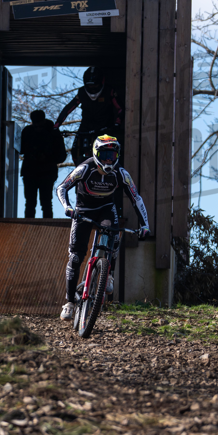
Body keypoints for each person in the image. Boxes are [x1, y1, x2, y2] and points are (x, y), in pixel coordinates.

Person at [56, 134, 150, 320]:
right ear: (96, 153)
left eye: (112, 156)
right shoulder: (84, 168)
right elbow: (61, 187)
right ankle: (69, 303)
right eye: (105, 155)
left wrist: (145, 225)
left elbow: (136, 198)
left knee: (113, 234)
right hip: (83, 210)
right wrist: (67, 207)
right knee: (75, 257)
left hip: (106, 210)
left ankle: (108, 275)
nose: (109, 160)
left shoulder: (121, 174)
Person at [54, 67, 123, 165]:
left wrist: (117, 124)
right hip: (85, 127)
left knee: (109, 152)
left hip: (105, 128)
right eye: (90, 86)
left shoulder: (109, 91)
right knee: (75, 152)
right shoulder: (82, 92)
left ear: (101, 82)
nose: (93, 88)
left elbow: (120, 108)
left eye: (95, 85)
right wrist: (56, 125)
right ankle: (79, 174)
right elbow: (68, 108)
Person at [20, 110, 66, 218]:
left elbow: (61, 155)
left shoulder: (52, 133)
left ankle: (42, 227)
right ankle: (35, 226)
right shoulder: (30, 131)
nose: (37, 127)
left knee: (41, 203)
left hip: (43, 172)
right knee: (37, 203)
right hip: (36, 172)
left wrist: (47, 157)